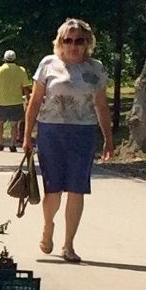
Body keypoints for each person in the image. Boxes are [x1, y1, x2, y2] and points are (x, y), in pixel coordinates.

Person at [22, 19, 113, 263]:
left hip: (83, 133)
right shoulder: (48, 64)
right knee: (53, 189)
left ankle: (69, 245)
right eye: (68, 40)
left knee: (77, 188)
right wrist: (27, 134)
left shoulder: (95, 69)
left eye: (79, 41)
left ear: (88, 43)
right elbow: (35, 100)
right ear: (60, 42)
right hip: (51, 132)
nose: (74, 45)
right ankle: (48, 225)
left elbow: (101, 105)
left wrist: (108, 138)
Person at [0, 48, 32, 152]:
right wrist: (28, 99)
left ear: (4, 59)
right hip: (16, 101)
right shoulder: (21, 70)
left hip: (2, 101)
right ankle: (12, 144)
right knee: (14, 125)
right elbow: (25, 87)